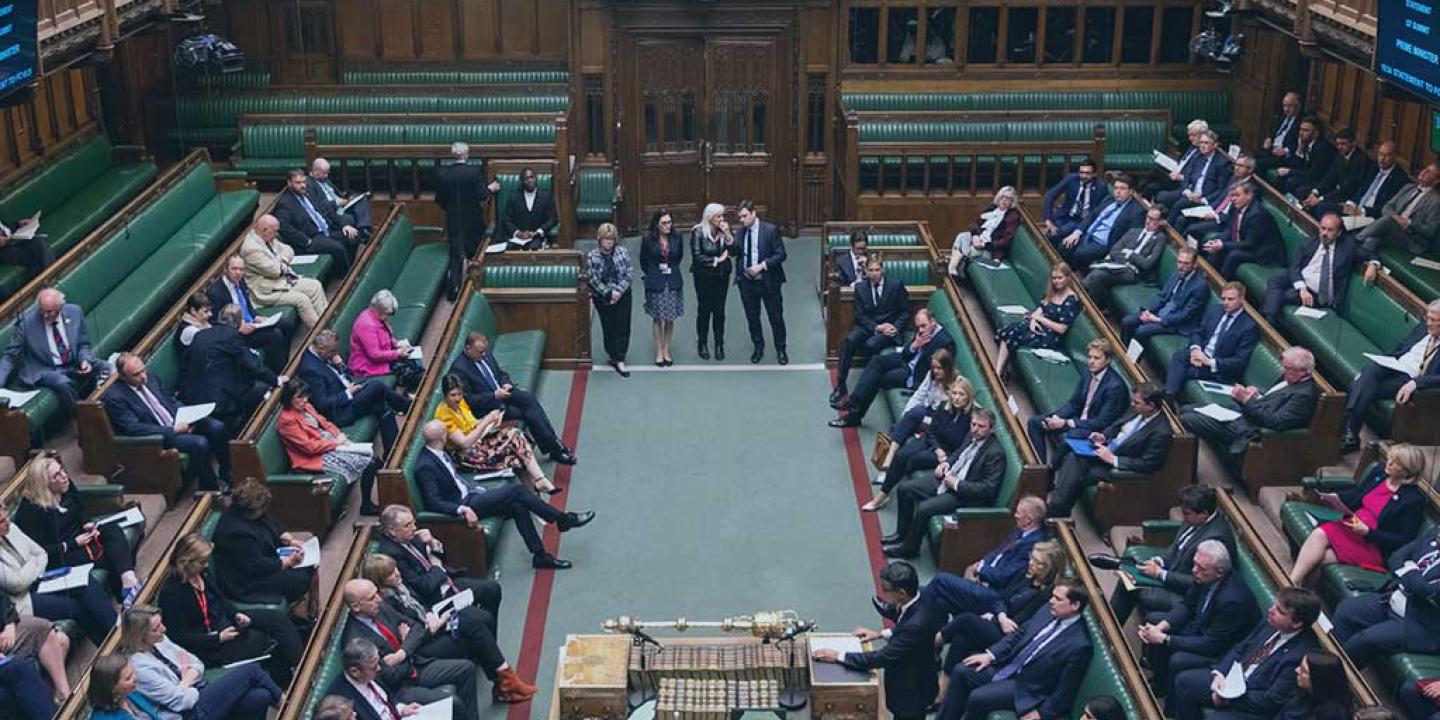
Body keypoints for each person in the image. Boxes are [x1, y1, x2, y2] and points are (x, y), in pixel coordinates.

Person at [414, 420, 593, 570]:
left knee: (517, 506)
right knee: (516, 491)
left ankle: (540, 556)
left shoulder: (436, 452)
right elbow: (433, 502)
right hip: (466, 503)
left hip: (471, 494)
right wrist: (461, 509)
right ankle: (561, 519)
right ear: (442, 437)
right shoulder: (425, 466)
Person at [362, 553, 536, 703]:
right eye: (391, 574)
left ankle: (504, 681)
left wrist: (430, 615)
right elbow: (413, 634)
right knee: (473, 628)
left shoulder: (400, 588)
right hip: (421, 650)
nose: (398, 573)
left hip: (430, 627)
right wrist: (432, 624)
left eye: (395, 569)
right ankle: (504, 680)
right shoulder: (387, 603)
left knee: (476, 621)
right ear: (380, 582)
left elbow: (419, 609)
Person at [157, 533, 303, 684]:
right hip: (207, 645)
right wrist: (217, 638)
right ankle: (289, 683)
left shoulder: (201, 573)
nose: (206, 565)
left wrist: (236, 614)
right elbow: (179, 638)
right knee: (262, 639)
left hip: (224, 621)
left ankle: (300, 669)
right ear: (186, 562)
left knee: (276, 619)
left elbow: (220, 599)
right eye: (202, 562)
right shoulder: (171, 594)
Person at [936, 581, 1093, 720]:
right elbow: (1019, 634)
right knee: (962, 670)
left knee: (978, 698)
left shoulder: (1080, 645)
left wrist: (1043, 713)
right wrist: (991, 655)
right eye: (1052, 596)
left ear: (1075, 605)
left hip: (1026, 687)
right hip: (1007, 664)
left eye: (1058, 599)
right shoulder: (1048, 610)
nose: (1051, 601)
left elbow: (1066, 689)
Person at [811, 562, 942, 720]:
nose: (884, 594)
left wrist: (838, 656)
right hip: (917, 676)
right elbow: (907, 630)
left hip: (911, 691)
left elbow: (881, 657)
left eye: (887, 590)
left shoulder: (916, 625)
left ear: (901, 593)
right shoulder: (922, 595)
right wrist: (880, 634)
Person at [1169, 587, 1322, 720]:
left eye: (1279, 611)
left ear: (1297, 623)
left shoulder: (1300, 654)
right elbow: (1241, 648)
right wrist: (1220, 674)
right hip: (1232, 679)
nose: (1271, 611)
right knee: (1184, 682)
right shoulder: (1270, 623)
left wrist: (1228, 699)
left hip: (1254, 705)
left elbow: (1271, 700)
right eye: (1274, 605)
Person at [340, 579, 479, 720]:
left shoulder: (380, 609)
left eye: (377, 594)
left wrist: (401, 653)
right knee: (452, 702)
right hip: (400, 689)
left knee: (466, 669)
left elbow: (416, 628)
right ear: (356, 606)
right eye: (372, 598)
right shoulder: (355, 641)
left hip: (416, 665)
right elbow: (389, 677)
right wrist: (406, 644)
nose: (379, 599)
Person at [928, 535, 1065, 676]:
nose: (1031, 563)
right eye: (1032, 558)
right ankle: (944, 683)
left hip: (1006, 637)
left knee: (966, 619)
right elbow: (1003, 598)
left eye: (1037, 562)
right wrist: (999, 615)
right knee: (961, 637)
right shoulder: (1026, 575)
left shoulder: (1045, 595)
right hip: (999, 619)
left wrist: (996, 618)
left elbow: (1016, 625)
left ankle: (927, 646)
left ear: (1049, 568)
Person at [1291, 443, 1426, 586]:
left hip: (1374, 546)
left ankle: (1291, 586)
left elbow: (1403, 540)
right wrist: (1334, 498)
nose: (1389, 463)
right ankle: (1297, 591)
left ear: (1407, 471)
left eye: (1396, 463)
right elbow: (1356, 494)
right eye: (1390, 458)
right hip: (1351, 526)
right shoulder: (1380, 473)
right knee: (1318, 548)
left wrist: (1368, 532)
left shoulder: (1412, 499)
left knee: (1319, 547)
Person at [1097, 485, 1236, 621]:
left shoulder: (1217, 538)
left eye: (1187, 514)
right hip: (1172, 574)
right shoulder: (1195, 518)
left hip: (1188, 595)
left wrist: (1160, 574)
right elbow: (1177, 545)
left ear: (1204, 514)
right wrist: (1159, 561)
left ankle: (1111, 630)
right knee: (1127, 577)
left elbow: (1200, 581)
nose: (1183, 517)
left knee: (1132, 587)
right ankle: (1109, 625)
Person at [15, 456, 142, 605]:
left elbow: (81, 507)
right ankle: (127, 592)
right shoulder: (30, 510)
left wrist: (86, 523)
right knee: (111, 554)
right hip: (59, 554)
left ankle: (128, 580)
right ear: (45, 483)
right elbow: (38, 550)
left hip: (81, 536)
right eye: (56, 475)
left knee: (112, 530)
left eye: (62, 470)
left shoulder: (66, 485)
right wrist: (72, 544)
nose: (64, 476)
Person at [121, 604, 283, 720]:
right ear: (139, 635)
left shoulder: (160, 640)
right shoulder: (139, 667)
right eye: (156, 628)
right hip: (187, 714)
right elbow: (181, 702)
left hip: (199, 692)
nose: (164, 629)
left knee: (261, 697)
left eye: (161, 623)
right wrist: (187, 681)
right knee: (251, 671)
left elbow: (196, 663)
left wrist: (186, 682)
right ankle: (286, 704)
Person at [885, 408, 1006, 559]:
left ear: (992, 429)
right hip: (947, 478)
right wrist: (946, 464)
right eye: (973, 424)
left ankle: (910, 549)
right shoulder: (971, 435)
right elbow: (958, 454)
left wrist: (957, 484)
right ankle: (901, 534)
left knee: (924, 508)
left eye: (981, 426)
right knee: (904, 489)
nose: (975, 429)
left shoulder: (996, 454)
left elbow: (988, 489)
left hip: (963, 494)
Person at [1179, 345, 1319, 475]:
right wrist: (1256, 394)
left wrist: (1246, 401)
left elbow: (1277, 421)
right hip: (1243, 415)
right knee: (1186, 409)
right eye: (1284, 366)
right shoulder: (1290, 378)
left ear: (1303, 372)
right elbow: (1273, 399)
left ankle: (1186, 471)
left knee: (1188, 419)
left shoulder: (1304, 395)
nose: (1284, 371)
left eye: (1288, 368)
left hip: (1250, 430)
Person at [1138, 540, 1257, 692]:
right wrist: (1160, 627)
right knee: (1154, 621)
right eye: (1194, 564)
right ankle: (1160, 683)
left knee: (1178, 658)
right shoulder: (1204, 576)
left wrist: (1165, 639)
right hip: (1201, 627)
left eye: (1201, 568)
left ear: (1219, 572)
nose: (1194, 570)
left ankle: (1169, 708)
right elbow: (1187, 606)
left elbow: (1212, 644)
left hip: (1224, 651)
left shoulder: (1233, 601)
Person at [105, 353, 232, 491]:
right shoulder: (115, 398)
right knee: (200, 443)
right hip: (161, 436)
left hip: (179, 420)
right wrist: (174, 430)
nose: (143, 377)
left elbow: (170, 400)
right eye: (136, 374)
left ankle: (227, 473)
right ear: (123, 377)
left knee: (218, 427)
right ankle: (210, 488)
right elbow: (134, 428)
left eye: (143, 370)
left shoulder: (151, 378)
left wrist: (189, 415)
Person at [1045, 382, 1173, 518]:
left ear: (1151, 406)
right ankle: (1058, 512)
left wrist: (1113, 459)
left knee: (1075, 469)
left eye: (1137, 403)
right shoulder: (1136, 411)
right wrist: (1103, 436)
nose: (1132, 405)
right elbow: (1115, 427)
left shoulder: (1162, 432)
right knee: (1072, 456)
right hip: (1103, 450)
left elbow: (1149, 464)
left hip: (1116, 466)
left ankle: (1055, 510)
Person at [0, 499, 117, 645]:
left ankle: (117, 633)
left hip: (42, 579)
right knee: (75, 607)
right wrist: (32, 563)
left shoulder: (13, 529)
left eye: (6, 517)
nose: (7, 523)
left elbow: (42, 554)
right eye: (1, 521)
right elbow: (17, 584)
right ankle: (106, 646)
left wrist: (32, 567)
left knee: (86, 583)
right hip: (23, 600)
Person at [448, 331, 575, 464]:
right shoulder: (459, 370)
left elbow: (500, 374)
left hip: (504, 392)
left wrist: (505, 383)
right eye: (480, 352)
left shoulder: (485, 354)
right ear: (468, 349)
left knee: (528, 399)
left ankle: (554, 446)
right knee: (525, 413)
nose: (484, 355)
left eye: (485, 351)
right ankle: (555, 448)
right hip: (489, 406)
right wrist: (494, 396)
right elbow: (469, 401)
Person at [1331, 522, 1440, 669]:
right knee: (1347, 610)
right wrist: (1412, 574)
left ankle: (1331, 676)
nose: (1437, 533)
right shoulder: (1434, 533)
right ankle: (1330, 661)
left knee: (1365, 640)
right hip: (1392, 596)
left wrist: (1409, 567)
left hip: (1419, 623)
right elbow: (1396, 557)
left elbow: (1425, 590)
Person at [1337, 299, 1440, 452]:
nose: (1428, 323)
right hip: (1395, 365)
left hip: (1410, 379)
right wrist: (1385, 360)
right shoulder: (1422, 329)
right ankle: (1350, 431)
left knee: (1358, 385)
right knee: (1370, 371)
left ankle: (1350, 431)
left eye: (1433, 320)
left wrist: (1417, 383)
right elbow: (1401, 347)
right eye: (1428, 318)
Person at [434, 374, 558, 495]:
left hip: (479, 441)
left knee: (516, 441)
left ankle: (536, 489)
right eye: (453, 395)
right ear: (445, 395)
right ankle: (539, 483)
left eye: (459, 394)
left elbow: (473, 424)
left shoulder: (461, 403)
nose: (457, 398)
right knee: (516, 445)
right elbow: (464, 443)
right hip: (466, 455)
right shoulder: (444, 415)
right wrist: (486, 420)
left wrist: (492, 420)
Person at [830, 307, 954, 428]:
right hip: (907, 361)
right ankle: (854, 400)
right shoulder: (924, 330)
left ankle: (854, 417)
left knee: (877, 379)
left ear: (933, 322)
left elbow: (936, 371)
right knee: (876, 361)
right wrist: (915, 345)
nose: (920, 330)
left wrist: (924, 347)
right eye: (918, 327)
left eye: (923, 326)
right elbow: (906, 354)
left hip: (914, 374)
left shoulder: (946, 343)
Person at [863, 374, 972, 512]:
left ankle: (892, 477)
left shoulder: (970, 418)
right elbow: (930, 431)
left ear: (968, 396)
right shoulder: (944, 406)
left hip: (947, 453)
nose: (956, 398)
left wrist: (944, 456)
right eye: (954, 393)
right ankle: (881, 496)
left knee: (913, 459)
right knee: (901, 454)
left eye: (961, 394)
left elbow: (963, 446)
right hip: (933, 444)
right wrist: (936, 448)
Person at [301, 329, 410, 461]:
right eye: (332, 351)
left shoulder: (324, 355)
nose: (335, 354)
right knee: (377, 386)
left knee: (381, 405)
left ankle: (392, 454)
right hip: (340, 412)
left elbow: (346, 376)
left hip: (348, 391)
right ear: (320, 349)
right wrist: (347, 393)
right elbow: (322, 403)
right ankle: (408, 406)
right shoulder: (310, 369)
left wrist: (340, 365)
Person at [374, 505, 503, 614]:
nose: (414, 528)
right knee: (479, 618)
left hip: (444, 581)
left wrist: (432, 543)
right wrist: (437, 567)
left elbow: (442, 557)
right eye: (407, 525)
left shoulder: (411, 536)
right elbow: (423, 587)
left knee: (493, 590)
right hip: (433, 598)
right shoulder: (391, 555)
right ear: (391, 531)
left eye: (413, 522)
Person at [277, 379, 380, 515]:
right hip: (314, 457)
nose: (305, 400)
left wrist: (339, 434)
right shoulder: (286, 421)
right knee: (370, 462)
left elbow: (324, 422)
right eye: (299, 397)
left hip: (327, 442)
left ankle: (367, 503)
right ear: (289, 398)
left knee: (374, 458)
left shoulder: (306, 406)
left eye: (306, 396)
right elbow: (309, 447)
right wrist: (336, 442)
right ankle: (366, 506)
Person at [212, 477, 317, 609]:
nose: (264, 511)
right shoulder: (236, 533)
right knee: (299, 578)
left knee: (308, 566)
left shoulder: (248, 512)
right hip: (246, 582)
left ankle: (311, 611)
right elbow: (255, 565)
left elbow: (271, 523)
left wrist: (289, 538)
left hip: (263, 561)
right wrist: (286, 562)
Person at [0, 287, 107, 413]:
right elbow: (10, 356)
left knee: (106, 367)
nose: (45, 315)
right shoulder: (26, 324)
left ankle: (107, 412)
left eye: (50, 311)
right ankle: (79, 418)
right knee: (62, 382)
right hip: (44, 369)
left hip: (73, 362)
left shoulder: (74, 312)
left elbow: (83, 344)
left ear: (61, 307)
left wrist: (85, 360)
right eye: (42, 311)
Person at [181, 304, 285, 433]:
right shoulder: (232, 336)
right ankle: (245, 432)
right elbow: (253, 366)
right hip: (218, 399)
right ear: (240, 323)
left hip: (194, 395)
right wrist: (276, 380)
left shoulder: (201, 334)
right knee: (261, 390)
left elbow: (186, 364)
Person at [1024, 339, 1128, 464]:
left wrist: (1065, 423)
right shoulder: (1089, 373)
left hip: (1095, 430)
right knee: (1035, 422)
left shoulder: (1115, 387)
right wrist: (1056, 417)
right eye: (1090, 357)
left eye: (1097, 358)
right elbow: (1074, 403)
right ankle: (1040, 466)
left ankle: (1051, 472)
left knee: (1068, 438)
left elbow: (1101, 422)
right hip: (1079, 419)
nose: (1091, 361)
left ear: (1108, 360)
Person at [831, 255, 909, 408]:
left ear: (883, 270)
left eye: (877, 270)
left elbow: (905, 311)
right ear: (865, 271)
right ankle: (841, 386)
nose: (874, 273)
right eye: (871, 270)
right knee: (848, 342)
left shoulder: (895, 285)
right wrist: (875, 327)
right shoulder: (860, 288)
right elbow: (860, 315)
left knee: (871, 345)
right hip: (869, 325)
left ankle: (866, 387)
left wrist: (895, 327)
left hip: (889, 327)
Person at [1163, 282, 1259, 398]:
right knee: (1179, 356)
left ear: (1242, 299)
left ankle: (1167, 398)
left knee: (1181, 372)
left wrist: (1208, 362)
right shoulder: (1216, 310)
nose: (1226, 303)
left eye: (1230, 299)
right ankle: (1168, 396)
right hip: (1201, 354)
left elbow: (1239, 361)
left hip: (1217, 368)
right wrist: (1195, 350)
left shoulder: (1248, 326)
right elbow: (1198, 331)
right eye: (1223, 298)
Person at [1261, 212, 1358, 323]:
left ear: (1339, 233)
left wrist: (1373, 264)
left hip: (1317, 294)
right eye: (1323, 228)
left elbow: (1367, 254)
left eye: (1330, 230)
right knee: (1274, 280)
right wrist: (1302, 288)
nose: (1324, 233)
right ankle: (1268, 322)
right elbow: (1294, 267)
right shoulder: (1310, 242)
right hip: (1303, 280)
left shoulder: (1347, 247)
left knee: (1280, 296)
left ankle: (1268, 323)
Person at [994, 262, 1080, 381]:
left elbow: (1061, 329)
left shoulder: (1071, 300)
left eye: (1060, 278)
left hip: (1051, 336)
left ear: (1068, 277)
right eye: (1054, 278)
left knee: (1015, 335)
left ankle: (1000, 372)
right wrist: (1033, 320)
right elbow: (1039, 310)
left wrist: (1039, 319)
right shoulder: (1052, 292)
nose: (1056, 281)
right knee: (1010, 330)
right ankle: (999, 371)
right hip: (1040, 327)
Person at [207, 255, 292, 374]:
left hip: (251, 323)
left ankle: (286, 366)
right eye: (234, 269)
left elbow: (247, 304)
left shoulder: (240, 280)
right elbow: (215, 323)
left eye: (241, 269)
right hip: (237, 334)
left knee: (287, 324)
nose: (238, 273)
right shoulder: (215, 293)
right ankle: (278, 375)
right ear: (225, 269)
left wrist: (255, 316)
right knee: (274, 335)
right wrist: (238, 328)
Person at [240, 214, 330, 328]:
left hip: (282, 281)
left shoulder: (267, 237)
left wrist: (280, 260)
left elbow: (289, 250)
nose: (276, 235)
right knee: (302, 299)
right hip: (267, 291)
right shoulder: (251, 249)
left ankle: (326, 322)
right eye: (275, 231)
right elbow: (276, 270)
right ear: (264, 230)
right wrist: (281, 262)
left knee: (314, 286)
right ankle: (319, 332)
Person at [435, 142, 499, 300]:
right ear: (467, 155)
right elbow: (482, 195)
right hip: (473, 217)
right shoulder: (474, 172)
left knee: (456, 253)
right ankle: (479, 284)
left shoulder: (443, 173)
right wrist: (490, 189)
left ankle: (454, 289)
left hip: (453, 218)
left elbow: (440, 199)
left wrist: (451, 209)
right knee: (477, 250)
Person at [0, 560, 71, 702]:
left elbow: (3, 599)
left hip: (5, 631)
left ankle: (65, 695)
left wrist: (9, 623)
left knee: (58, 638)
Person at [1357, 159, 1440, 272]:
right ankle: (1358, 269)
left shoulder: (1436, 200)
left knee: (1386, 221)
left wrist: (1408, 223)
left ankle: (1356, 239)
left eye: (1429, 171)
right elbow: (1387, 207)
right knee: (1371, 240)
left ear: (1436, 181)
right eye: (1425, 168)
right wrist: (1396, 218)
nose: (1423, 172)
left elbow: (1430, 230)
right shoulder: (1409, 187)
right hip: (1392, 227)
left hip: (1412, 239)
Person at [274, 169, 358, 275]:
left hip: (326, 229)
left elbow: (327, 210)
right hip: (312, 237)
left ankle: (346, 269)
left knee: (353, 236)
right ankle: (346, 277)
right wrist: (306, 241)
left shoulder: (308, 193)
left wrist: (344, 225)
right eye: (298, 183)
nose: (303, 185)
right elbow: (285, 228)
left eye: (304, 182)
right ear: (289, 183)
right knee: (338, 248)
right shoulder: (285, 203)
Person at [734, 200, 788, 364]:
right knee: (752, 317)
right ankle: (758, 347)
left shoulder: (770, 230)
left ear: (754, 214)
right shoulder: (740, 233)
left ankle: (781, 349)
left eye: (744, 216)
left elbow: (781, 255)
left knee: (775, 316)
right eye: (740, 217)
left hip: (768, 281)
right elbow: (735, 252)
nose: (742, 220)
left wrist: (762, 266)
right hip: (746, 282)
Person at [326, 639, 431, 720]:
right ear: (355, 671)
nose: (379, 668)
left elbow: (386, 700)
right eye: (373, 667)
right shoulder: (340, 702)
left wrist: (401, 709)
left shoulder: (370, 670)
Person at [1055, 175, 1145, 269]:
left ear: (1131, 191)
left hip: (1103, 244)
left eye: (1122, 189)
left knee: (1080, 254)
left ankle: (1074, 276)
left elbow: (1131, 236)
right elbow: (1092, 215)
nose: (1118, 192)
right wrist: (1077, 232)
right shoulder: (1109, 199)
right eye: (1116, 188)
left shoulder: (1137, 211)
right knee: (1064, 246)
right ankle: (1066, 272)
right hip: (1087, 235)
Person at [1120, 246, 1207, 343]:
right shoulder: (1178, 272)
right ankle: (1125, 352)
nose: (1181, 266)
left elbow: (1185, 315)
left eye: (1186, 263)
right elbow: (1162, 297)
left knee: (1141, 331)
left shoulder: (1200, 286)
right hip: (1161, 312)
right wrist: (1148, 311)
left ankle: (1135, 357)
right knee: (1127, 321)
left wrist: (1158, 320)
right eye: (1179, 262)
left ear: (1195, 264)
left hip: (1176, 323)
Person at [1080, 206, 1169, 298]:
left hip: (1133, 272)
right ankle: (1086, 300)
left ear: (1161, 222)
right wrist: (1126, 260)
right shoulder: (1133, 231)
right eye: (1147, 217)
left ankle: (1085, 301)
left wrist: (1130, 253)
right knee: (1095, 271)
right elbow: (1114, 250)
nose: (1148, 221)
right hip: (1117, 264)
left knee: (1097, 275)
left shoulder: (1160, 238)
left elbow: (1147, 264)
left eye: (1152, 219)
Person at [1201, 183, 1283, 279]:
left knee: (1234, 255)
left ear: (1249, 195)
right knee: (1215, 242)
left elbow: (1250, 244)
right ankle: (1209, 278)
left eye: (1237, 195)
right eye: (1231, 196)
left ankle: (1222, 283)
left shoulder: (1257, 215)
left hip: (1263, 252)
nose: (1233, 199)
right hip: (1245, 243)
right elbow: (1230, 229)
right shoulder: (1235, 206)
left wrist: (1223, 245)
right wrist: (1219, 241)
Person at [1172, 153, 1258, 237]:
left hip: (1224, 221)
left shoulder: (1252, 189)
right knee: (1181, 219)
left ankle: (1186, 249)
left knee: (1192, 228)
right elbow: (1221, 197)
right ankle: (1174, 243)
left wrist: (1216, 217)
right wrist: (1207, 206)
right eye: (1236, 165)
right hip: (1214, 210)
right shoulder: (1234, 179)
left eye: (1240, 166)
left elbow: (1239, 214)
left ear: (1250, 170)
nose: (1236, 168)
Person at [587, 222, 633, 376]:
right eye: (606, 239)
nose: (609, 242)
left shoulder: (622, 252)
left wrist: (618, 292)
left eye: (612, 239)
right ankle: (612, 354)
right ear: (600, 240)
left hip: (623, 295)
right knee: (608, 327)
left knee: (623, 326)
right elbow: (592, 278)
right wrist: (608, 293)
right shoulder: (592, 256)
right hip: (603, 297)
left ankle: (620, 358)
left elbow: (629, 273)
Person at [348, 289, 419, 389]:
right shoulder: (366, 325)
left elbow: (385, 337)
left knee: (413, 357)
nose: (388, 317)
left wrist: (397, 344)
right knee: (409, 370)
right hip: (367, 365)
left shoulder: (376, 316)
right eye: (388, 314)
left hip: (383, 355)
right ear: (379, 310)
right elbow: (375, 355)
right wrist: (398, 353)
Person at [643, 207, 686, 367]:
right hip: (655, 279)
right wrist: (654, 272)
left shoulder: (677, 238)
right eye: (664, 223)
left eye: (669, 222)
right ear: (657, 225)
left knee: (669, 317)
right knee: (657, 317)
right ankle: (659, 350)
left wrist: (669, 270)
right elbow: (644, 260)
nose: (668, 225)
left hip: (673, 279)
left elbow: (679, 257)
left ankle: (667, 350)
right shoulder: (648, 239)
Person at [686, 205, 730, 361]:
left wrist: (728, 235)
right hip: (703, 277)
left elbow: (735, 250)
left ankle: (719, 344)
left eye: (723, 216)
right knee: (704, 310)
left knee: (719, 311)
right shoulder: (698, 232)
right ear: (710, 217)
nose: (722, 219)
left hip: (721, 277)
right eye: (719, 217)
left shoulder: (724, 231)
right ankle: (702, 343)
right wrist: (717, 260)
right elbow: (697, 256)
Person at [950, 186, 1021, 278]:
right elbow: (974, 223)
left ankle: (953, 270)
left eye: (1008, 198)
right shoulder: (992, 208)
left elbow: (1006, 240)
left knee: (967, 250)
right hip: (979, 239)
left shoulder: (1012, 216)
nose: (1004, 200)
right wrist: (975, 236)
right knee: (962, 236)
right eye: (1002, 197)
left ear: (1012, 201)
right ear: (998, 197)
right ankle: (953, 269)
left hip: (989, 249)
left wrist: (986, 244)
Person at [1157, 130, 1231, 216]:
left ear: (1215, 145)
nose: (1202, 146)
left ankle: (1167, 227)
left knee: (1178, 206)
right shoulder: (1198, 157)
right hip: (1189, 192)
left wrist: (1203, 199)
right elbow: (1187, 176)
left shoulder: (1222, 163)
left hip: (1203, 198)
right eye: (1201, 143)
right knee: (1161, 196)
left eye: (1206, 143)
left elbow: (1220, 189)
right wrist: (1187, 191)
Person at [1300, 129, 1371, 218]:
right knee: (1304, 192)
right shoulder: (1340, 155)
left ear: (1353, 143)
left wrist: (1320, 199)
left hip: (1347, 198)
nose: (1340, 147)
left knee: (1321, 207)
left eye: (1343, 144)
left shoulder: (1361, 160)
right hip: (1335, 192)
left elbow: (1348, 189)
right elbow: (1330, 177)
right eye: (1338, 144)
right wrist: (1315, 193)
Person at [1042, 161, 1108, 242]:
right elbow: (1050, 196)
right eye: (1081, 172)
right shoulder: (1071, 179)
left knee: (1057, 234)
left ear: (1094, 174)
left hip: (1082, 220)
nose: (1083, 176)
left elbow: (1103, 208)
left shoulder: (1101, 187)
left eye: (1087, 173)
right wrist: (1048, 219)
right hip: (1065, 215)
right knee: (1050, 234)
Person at [1141, 120, 1209, 199]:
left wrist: (1181, 177)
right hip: (1176, 170)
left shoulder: (1203, 151)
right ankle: (1141, 201)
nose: (1190, 138)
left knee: (1154, 173)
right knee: (1152, 183)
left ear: (1203, 134)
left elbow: (1197, 175)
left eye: (1194, 135)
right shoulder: (1193, 145)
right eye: (1189, 135)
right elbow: (1184, 161)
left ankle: (1136, 193)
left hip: (1181, 181)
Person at [1343, 141, 1408, 222]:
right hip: (1356, 209)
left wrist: (1363, 211)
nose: (1382, 159)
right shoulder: (1374, 168)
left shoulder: (1400, 178)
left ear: (1395, 157)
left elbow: (1386, 206)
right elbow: (1362, 189)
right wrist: (1351, 203)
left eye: (1387, 155)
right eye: (1380, 154)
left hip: (1371, 216)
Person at [1279, 652, 1352, 720]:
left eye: (1304, 671)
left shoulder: (1330, 715)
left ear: (1318, 679)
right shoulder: (1304, 691)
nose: (1297, 670)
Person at [88, 654, 163, 720]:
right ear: (112, 688)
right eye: (128, 678)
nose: (135, 678)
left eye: (133, 673)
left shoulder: (130, 694)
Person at [1274, 117, 1336, 197]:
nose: (1301, 133)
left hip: (1319, 182)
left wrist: (1289, 171)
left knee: (1292, 182)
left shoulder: (1322, 148)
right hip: (1309, 177)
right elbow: (1296, 166)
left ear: (1315, 133)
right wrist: (1299, 150)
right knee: (1281, 178)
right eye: (1301, 129)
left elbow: (1313, 175)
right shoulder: (1305, 142)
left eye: (1305, 130)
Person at [500, 167, 558, 250]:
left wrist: (538, 232)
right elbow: (506, 219)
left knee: (533, 249)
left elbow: (553, 219)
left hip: (537, 237)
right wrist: (518, 233)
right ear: (522, 181)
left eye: (532, 177)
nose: (529, 180)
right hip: (518, 238)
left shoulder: (546, 196)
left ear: (536, 178)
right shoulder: (514, 197)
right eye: (526, 178)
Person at [310, 157, 373, 233]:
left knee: (362, 200)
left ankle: (364, 228)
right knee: (350, 218)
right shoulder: (310, 184)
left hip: (342, 206)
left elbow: (337, 194)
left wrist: (348, 198)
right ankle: (363, 232)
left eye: (327, 172)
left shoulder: (325, 180)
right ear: (315, 171)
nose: (326, 175)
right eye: (324, 173)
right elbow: (318, 205)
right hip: (333, 211)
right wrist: (335, 203)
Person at [1254, 91, 1304, 175]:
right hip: (1271, 149)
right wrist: (1269, 138)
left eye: (1290, 106)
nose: (1286, 109)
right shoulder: (1282, 117)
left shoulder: (1302, 122)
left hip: (1283, 156)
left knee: (1258, 163)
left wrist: (1285, 151)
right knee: (1250, 156)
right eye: (1284, 106)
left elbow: (1301, 142)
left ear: (1298, 106)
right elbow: (1275, 133)